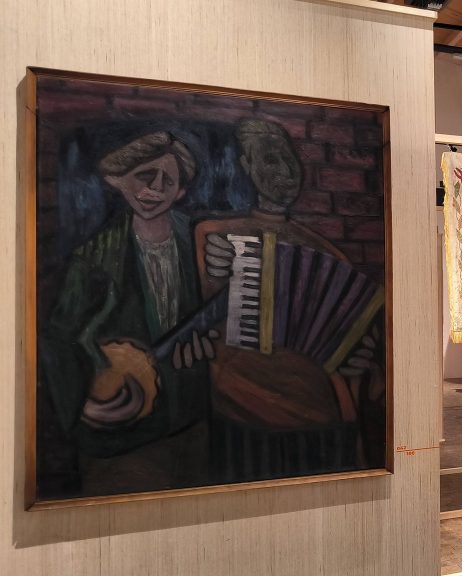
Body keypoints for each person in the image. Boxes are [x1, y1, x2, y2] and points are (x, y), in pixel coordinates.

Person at [195, 119, 385, 480]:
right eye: (270, 159)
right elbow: (199, 320)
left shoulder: (326, 253)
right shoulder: (216, 236)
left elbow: (352, 350)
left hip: (320, 415)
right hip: (240, 409)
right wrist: (218, 277)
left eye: (289, 160)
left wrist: (358, 354)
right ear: (246, 166)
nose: (284, 171)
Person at [39, 131, 213, 496]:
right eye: (145, 175)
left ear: (181, 191)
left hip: (193, 421)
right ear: (117, 179)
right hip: (123, 438)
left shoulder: (203, 243)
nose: (155, 189)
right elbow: (57, 341)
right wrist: (84, 399)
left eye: (168, 181)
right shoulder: (94, 258)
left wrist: (211, 345)